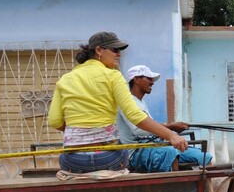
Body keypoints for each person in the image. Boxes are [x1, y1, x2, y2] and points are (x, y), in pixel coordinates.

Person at [48, 32, 188, 173]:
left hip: (74, 162)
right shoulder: (113, 76)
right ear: (98, 50)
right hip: (108, 159)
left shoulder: (65, 79)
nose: (119, 54)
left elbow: (55, 121)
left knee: (64, 156)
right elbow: (135, 116)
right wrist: (171, 135)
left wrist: (81, 132)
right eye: (115, 50)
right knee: (123, 150)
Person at [116, 64, 213, 172]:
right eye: (148, 78)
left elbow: (151, 126)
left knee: (203, 156)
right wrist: (169, 128)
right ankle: (176, 187)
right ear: (136, 80)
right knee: (170, 153)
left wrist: (169, 129)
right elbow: (139, 130)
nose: (152, 82)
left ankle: (207, 188)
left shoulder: (141, 102)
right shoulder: (126, 102)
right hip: (136, 152)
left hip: (153, 146)